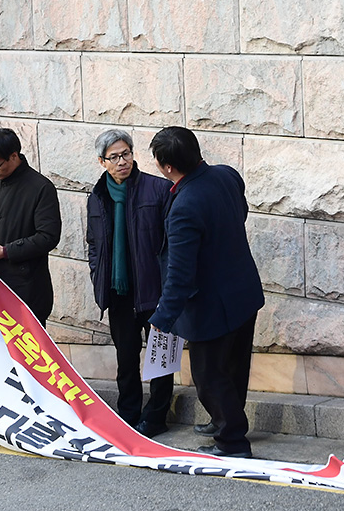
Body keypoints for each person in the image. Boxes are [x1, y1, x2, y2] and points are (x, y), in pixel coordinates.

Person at [147, 126, 264, 459]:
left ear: (167, 167)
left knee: (210, 375)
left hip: (212, 305)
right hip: (243, 291)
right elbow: (237, 214)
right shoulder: (227, 175)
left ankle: (232, 442)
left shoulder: (185, 205)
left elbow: (180, 274)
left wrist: (163, 318)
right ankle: (223, 421)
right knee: (234, 368)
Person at [85, 129, 174, 436]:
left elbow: (171, 244)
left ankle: (157, 416)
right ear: (102, 161)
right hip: (118, 292)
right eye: (114, 157)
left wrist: (169, 287)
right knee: (126, 356)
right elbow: (93, 243)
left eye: (126, 153)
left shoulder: (159, 189)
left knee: (161, 357)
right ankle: (128, 413)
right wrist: (98, 273)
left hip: (154, 290)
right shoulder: (97, 197)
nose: (122, 161)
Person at [0, 128, 62, 321]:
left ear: (13, 156)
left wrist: (6, 251)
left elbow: (48, 237)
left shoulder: (40, 187)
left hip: (27, 289)